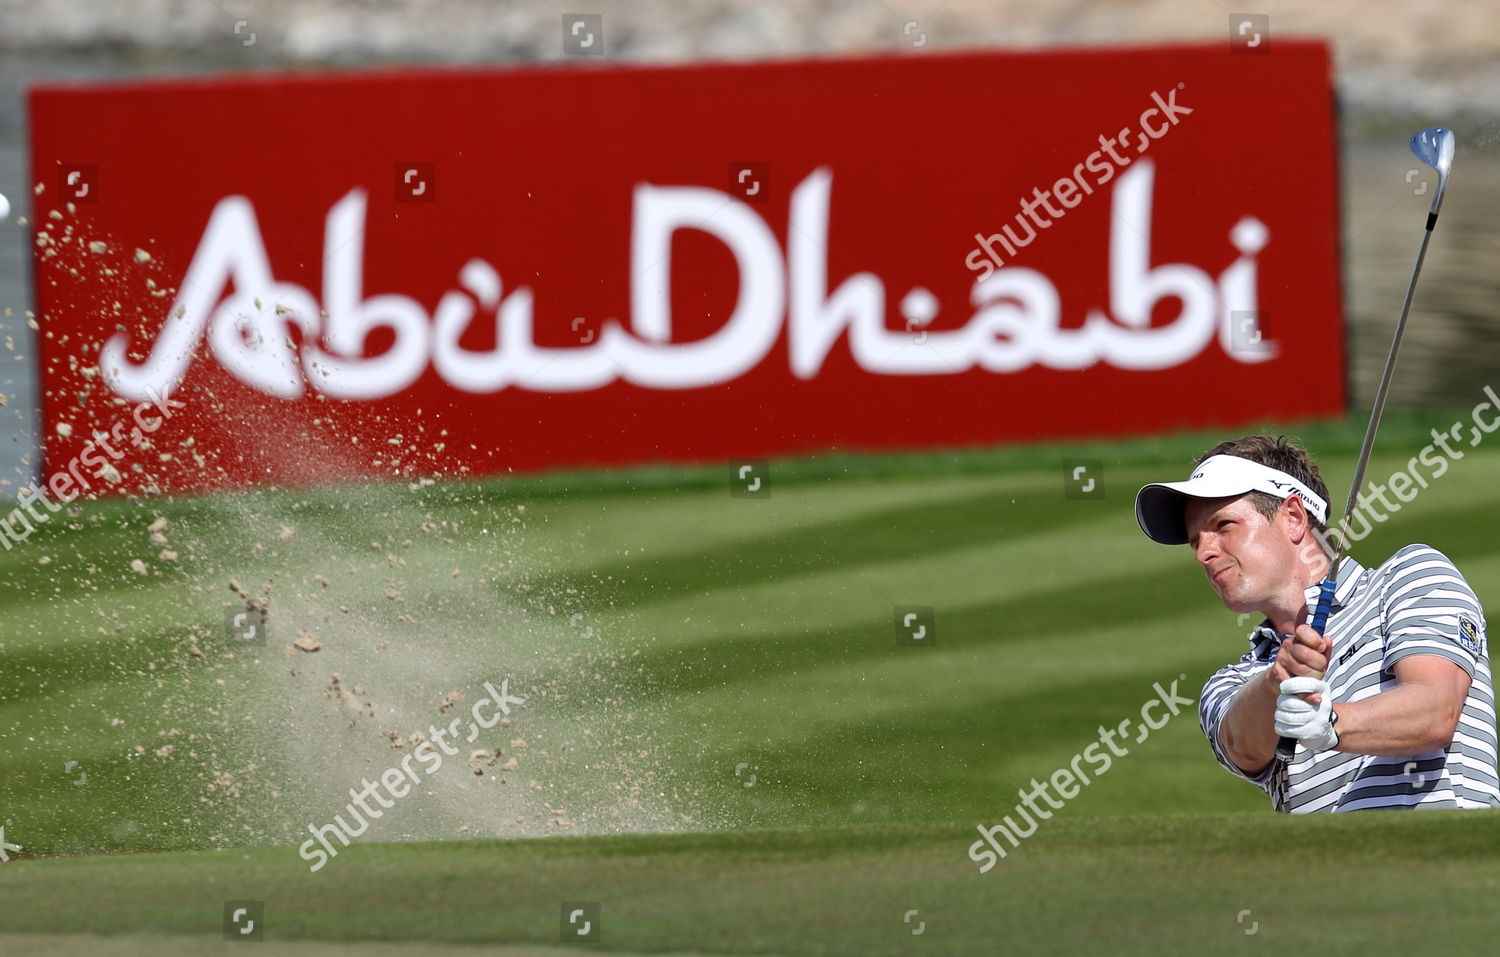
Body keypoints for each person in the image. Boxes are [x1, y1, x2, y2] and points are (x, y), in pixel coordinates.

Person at [1134, 433, 1499, 811]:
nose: (1204, 553)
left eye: (1223, 525)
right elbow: (1241, 745)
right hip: (1327, 870)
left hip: (1444, 862)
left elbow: (1436, 710)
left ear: (1293, 518)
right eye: (1196, 541)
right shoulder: (1235, 681)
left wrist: (1330, 723)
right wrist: (1278, 681)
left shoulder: (1409, 576)